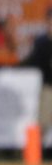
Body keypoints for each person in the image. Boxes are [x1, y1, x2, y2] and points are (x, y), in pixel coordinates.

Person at [22, 8, 52, 149]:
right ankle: (37, 152)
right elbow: (33, 62)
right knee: (43, 122)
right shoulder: (41, 41)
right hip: (48, 86)